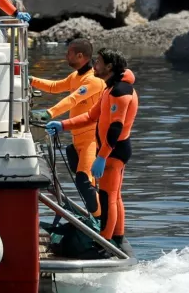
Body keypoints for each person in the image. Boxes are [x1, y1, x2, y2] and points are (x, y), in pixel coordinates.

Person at [46, 49, 138, 256]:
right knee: (115, 196)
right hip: (110, 151)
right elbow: (90, 116)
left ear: (109, 67)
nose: (94, 65)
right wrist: (63, 125)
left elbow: (115, 129)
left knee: (108, 198)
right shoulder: (109, 88)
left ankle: (105, 242)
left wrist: (101, 157)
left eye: (98, 62)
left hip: (114, 151)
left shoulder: (120, 92)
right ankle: (117, 237)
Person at [28, 38, 106, 216]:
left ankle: (100, 221)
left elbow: (72, 100)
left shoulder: (93, 80)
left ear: (80, 56)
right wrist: (31, 80)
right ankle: (97, 216)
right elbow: (56, 87)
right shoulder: (76, 76)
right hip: (77, 138)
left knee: (84, 180)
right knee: (85, 183)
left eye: (69, 53)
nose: (66, 56)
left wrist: (49, 113)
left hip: (91, 140)